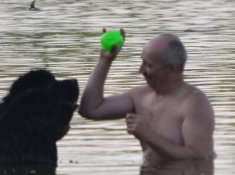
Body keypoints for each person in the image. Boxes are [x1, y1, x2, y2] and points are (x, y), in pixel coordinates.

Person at [79, 31, 215, 165]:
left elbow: (199, 158)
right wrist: (105, 60)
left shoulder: (194, 103)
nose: (141, 70)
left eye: (149, 65)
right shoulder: (139, 96)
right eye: (142, 62)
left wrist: (148, 135)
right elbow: (90, 109)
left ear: (173, 68)